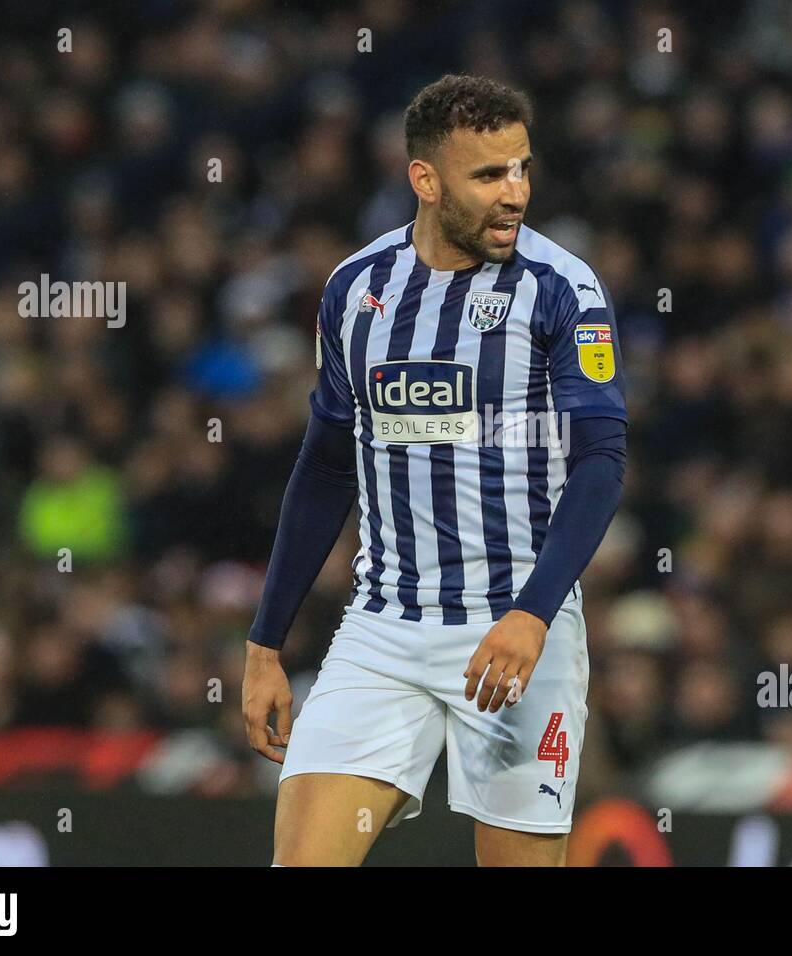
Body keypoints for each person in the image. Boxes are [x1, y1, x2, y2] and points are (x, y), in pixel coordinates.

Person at [242, 74, 628, 866]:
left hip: (520, 628)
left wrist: (534, 613)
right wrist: (265, 642)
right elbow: (324, 466)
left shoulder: (563, 290)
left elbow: (601, 460)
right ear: (425, 179)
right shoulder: (357, 290)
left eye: (522, 168)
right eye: (489, 175)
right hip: (384, 629)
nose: (514, 192)